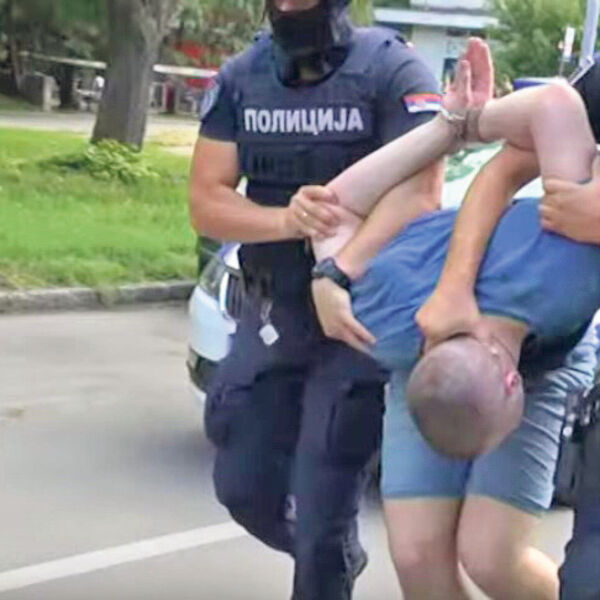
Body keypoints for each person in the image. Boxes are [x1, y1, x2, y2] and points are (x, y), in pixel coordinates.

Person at [310, 40, 599, 598]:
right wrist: (461, 126)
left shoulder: (382, 321)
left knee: (491, 558)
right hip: (458, 344)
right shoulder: (385, 324)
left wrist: (459, 125)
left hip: (551, 355)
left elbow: (330, 212)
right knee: (418, 559)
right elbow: (557, 104)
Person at [188, 1, 443, 598]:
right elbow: (206, 200)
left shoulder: (392, 68)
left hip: (355, 318)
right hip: (273, 311)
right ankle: (333, 553)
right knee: (244, 487)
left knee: (323, 502)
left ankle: (326, 558)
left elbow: (423, 191)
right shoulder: (242, 77)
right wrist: (287, 220)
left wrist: (337, 267)